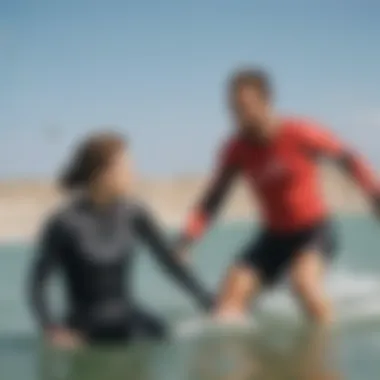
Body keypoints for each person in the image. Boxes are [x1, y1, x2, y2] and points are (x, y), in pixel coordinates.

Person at [176, 68, 380, 326]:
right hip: (273, 237)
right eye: (233, 109)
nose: (238, 116)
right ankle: (248, 365)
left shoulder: (299, 133)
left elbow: (349, 160)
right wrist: (187, 239)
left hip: (313, 231)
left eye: (245, 107)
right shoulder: (236, 149)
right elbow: (213, 199)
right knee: (228, 300)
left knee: (303, 284)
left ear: (266, 100)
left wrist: (374, 196)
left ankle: (324, 360)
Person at [28, 132, 213, 347]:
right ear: (102, 173)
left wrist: (208, 301)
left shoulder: (134, 213)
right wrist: (51, 329)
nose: (133, 174)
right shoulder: (63, 223)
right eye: (125, 167)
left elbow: (169, 262)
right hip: (84, 332)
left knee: (165, 336)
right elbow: (37, 284)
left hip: (129, 323)